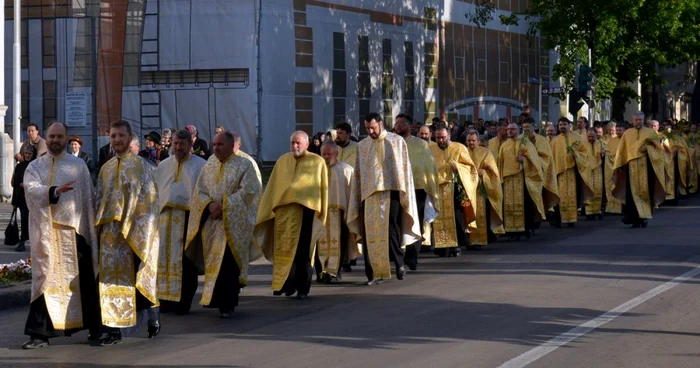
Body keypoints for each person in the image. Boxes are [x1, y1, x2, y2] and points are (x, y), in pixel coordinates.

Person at [21, 121, 100, 349]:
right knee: (45, 280)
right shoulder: (35, 166)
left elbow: (88, 200)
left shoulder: (78, 167)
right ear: (47, 137)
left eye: (59, 137)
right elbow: (31, 189)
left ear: (66, 138)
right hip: (46, 233)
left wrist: (88, 231)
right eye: (52, 136)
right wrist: (54, 191)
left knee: (83, 280)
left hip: (74, 233)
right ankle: (40, 334)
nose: (55, 140)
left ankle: (94, 328)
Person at [95, 120, 160, 345]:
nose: (117, 140)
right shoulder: (106, 168)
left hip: (132, 234)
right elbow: (99, 199)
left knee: (134, 282)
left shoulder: (142, 167)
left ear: (130, 138)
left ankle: (151, 316)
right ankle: (113, 329)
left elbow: (149, 202)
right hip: (109, 236)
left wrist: (135, 231)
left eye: (121, 135)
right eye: (113, 136)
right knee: (108, 282)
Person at [185, 131, 262, 316]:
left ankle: (228, 303)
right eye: (214, 144)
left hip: (232, 225)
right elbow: (200, 191)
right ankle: (215, 299)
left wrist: (226, 206)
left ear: (231, 146)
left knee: (228, 264)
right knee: (214, 262)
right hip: (212, 224)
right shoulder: (209, 164)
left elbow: (250, 191)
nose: (216, 148)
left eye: (220, 145)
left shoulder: (244, 165)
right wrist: (210, 205)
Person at [347, 113, 420, 285]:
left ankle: (399, 264)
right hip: (369, 193)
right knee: (369, 232)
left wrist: (403, 190)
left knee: (391, 229)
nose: (370, 131)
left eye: (373, 127)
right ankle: (372, 273)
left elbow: (404, 168)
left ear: (380, 124)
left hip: (391, 190)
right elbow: (359, 172)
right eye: (367, 128)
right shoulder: (363, 146)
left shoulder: (396, 141)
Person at [255, 131, 328, 298]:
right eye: (292, 143)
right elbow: (274, 186)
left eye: (298, 143)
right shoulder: (282, 161)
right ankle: (286, 284)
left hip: (305, 213)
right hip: (283, 214)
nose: (295, 146)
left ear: (307, 144)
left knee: (302, 253)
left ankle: (303, 288)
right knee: (284, 250)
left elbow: (320, 189)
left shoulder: (317, 162)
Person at [155, 129, 206, 315]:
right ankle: (165, 299)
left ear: (190, 145)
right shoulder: (163, 166)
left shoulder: (200, 166)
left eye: (181, 144)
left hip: (187, 220)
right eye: (175, 143)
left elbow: (203, 194)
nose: (177, 147)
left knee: (186, 263)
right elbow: (157, 192)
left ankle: (183, 302)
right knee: (163, 261)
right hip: (165, 221)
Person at [395, 114, 439, 270]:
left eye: (401, 123)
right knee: (397, 223)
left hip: (417, 188)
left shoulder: (421, 145)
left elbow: (428, 166)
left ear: (410, 126)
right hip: (397, 189)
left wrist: (431, 187)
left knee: (415, 222)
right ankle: (397, 255)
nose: (398, 126)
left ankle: (412, 257)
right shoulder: (390, 143)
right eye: (396, 123)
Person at [612, 112, 666, 228]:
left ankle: (644, 217)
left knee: (646, 192)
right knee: (631, 194)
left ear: (643, 120)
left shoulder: (650, 132)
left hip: (647, 167)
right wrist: (620, 165)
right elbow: (622, 150)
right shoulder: (627, 133)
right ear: (633, 120)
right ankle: (633, 218)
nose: (638, 122)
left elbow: (658, 149)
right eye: (636, 120)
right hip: (630, 168)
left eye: (640, 120)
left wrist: (648, 148)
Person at [427, 125, 476, 256]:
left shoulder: (459, 148)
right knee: (437, 218)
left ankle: (455, 245)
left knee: (456, 217)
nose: (441, 141)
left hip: (453, 187)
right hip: (436, 187)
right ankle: (441, 246)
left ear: (448, 136)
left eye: (443, 137)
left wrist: (458, 167)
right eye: (438, 138)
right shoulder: (430, 149)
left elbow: (471, 168)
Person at [315, 142, 355, 282]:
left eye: (329, 154)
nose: (326, 157)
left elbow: (352, 194)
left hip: (339, 214)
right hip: (320, 213)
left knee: (339, 243)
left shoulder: (346, 170)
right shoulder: (315, 170)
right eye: (323, 154)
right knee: (318, 243)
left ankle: (335, 271)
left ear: (336, 154)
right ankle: (320, 272)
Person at [498, 123, 546, 241]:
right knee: (508, 206)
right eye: (508, 129)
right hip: (508, 179)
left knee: (526, 205)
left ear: (518, 130)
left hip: (522, 179)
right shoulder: (504, 145)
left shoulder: (526, 143)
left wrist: (524, 160)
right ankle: (511, 230)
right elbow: (500, 164)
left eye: (513, 129)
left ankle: (526, 228)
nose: (510, 131)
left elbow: (535, 161)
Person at [549, 117, 594, 228]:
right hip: (559, 172)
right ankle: (558, 219)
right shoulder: (554, 141)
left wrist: (576, 154)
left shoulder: (578, 139)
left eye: (565, 124)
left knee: (573, 195)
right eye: (560, 125)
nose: (562, 126)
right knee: (558, 195)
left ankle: (571, 218)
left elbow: (585, 154)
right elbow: (551, 157)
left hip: (574, 171)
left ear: (570, 126)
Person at [465, 130, 504, 246]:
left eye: (473, 140)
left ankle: (479, 240)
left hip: (479, 189)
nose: (471, 143)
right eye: (469, 141)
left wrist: (484, 173)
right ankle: (468, 240)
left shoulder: (486, 153)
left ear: (478, 141)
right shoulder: (462, 152)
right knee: (467, 214)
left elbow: (493, 172)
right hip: (466, 189)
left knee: (480, 214)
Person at [522, 118, 559, 228]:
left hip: (539, 174)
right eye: (523, 128)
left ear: (534, 127)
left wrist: (529, 158)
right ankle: (529, 223)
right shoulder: (520, 139)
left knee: (539, 197)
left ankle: (537, 221)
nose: (525, 130)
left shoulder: (542, 140)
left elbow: (546, 157)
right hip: (525, 174)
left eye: (528, 127)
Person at [10, 146, 37, 252]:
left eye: (29, 154)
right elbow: (15, 184)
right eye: (25, 153)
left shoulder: (36, 166)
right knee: (24, 220)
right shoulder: (19, 166)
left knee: (35, 221)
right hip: (21, 198)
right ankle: (22, 241)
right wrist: (14, 202)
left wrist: (27, 185)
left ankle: (36, 243)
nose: (27, 156)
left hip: (34, 198)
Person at [583, 128, 606, 219]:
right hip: (587, 170)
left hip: (598, 170)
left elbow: (605, 154)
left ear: (596, 135)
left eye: (592, 136)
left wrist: (603, 154)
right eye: (589, 136)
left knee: (598, 190)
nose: (590, 138)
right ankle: (588, 212)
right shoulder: (583, 145)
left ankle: (597, 211)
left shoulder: (601, 144)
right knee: (588, 190)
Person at [604, 122, 625, 214]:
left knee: (621, 186)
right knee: (610, 185)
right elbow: (608, 153)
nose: (618, 132)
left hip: (622, 166)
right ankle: (611, 208)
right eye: (617, 130)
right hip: (610, 167)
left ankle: (622, 208)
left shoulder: (626, 140)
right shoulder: (611, 141)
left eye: (620, 130)